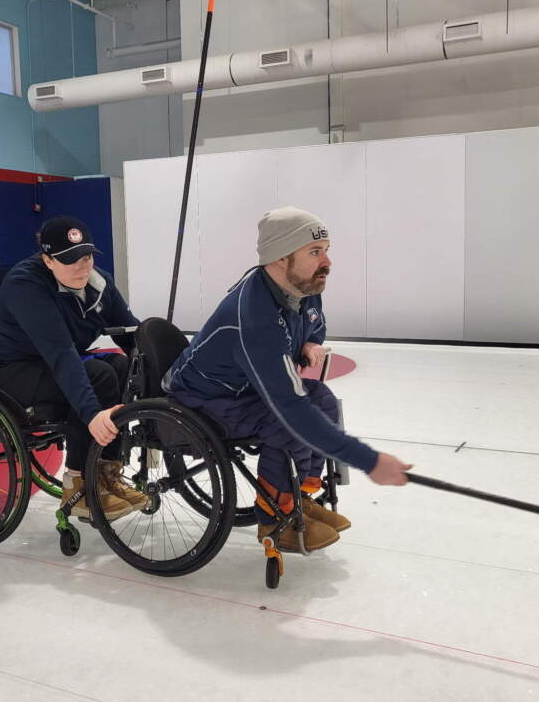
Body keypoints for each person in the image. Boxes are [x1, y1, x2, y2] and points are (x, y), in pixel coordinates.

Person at [167, 206, 411, 552]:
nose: (327, 261)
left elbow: (315, 322)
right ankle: (275, 516)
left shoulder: (305, 284)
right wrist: (370, 461)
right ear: (281, 258)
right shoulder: (253, 318)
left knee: (322, 399)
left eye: (327, 250)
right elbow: (289, 408)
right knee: (285, 424)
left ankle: (302, 496)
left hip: (246, 388)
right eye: (315, 252)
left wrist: (312, 341)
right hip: (206, 397)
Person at [0, 214, 147, 521]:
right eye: (70, 260)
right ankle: (77, 486)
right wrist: (92, 415)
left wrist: (153, 381)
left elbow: (131, 333)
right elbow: (62, 354)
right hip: (3, 372)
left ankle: (108, 473)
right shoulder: (26, 285)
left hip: (46, 364)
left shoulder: (97, 282)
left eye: (87, 256)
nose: (82, 266)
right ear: (48, 260)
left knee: (120, 365)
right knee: (97, 375)